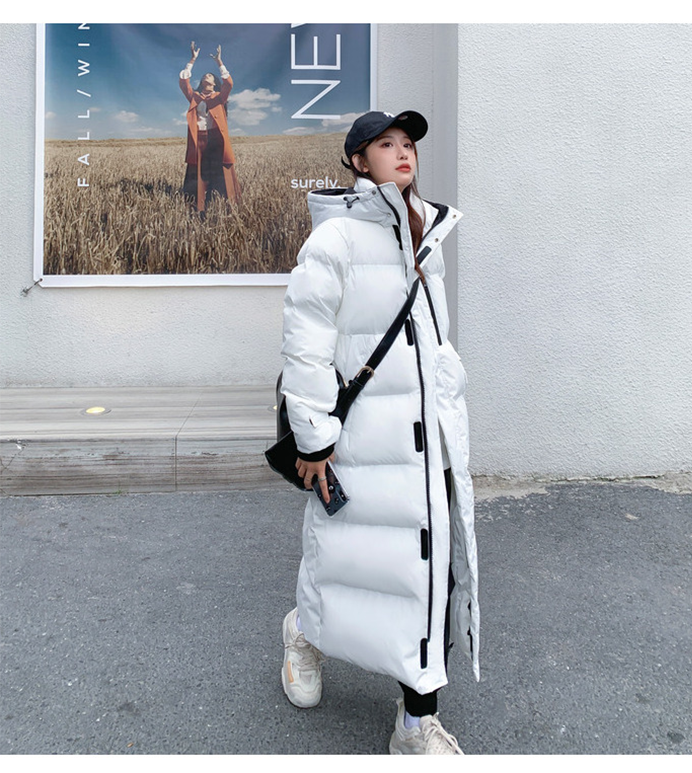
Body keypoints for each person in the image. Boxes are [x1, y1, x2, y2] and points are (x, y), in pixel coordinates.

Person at [279, 110, 480, 754]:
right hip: (361, 440)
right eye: (385, 144)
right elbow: (305, 345)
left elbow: (434, 338)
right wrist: (314, 437)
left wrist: (449, 394)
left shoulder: (427, 235)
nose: (403, 152)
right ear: (358, 161)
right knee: (346, 560)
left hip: (427, 440)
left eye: (408, 143)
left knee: (431, 571)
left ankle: (416, 723)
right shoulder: (334, 241)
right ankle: (305, 634)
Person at [179, 42, 240, 212]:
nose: (207, 76)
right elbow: (184, 82)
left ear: (214, 83)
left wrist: (219, 62)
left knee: (222, 170)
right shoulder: (195, 97)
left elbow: (228, 84)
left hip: (216, 138)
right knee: (197, 170)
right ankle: (196, 206)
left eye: (210, 75)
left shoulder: (220, 97)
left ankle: (226, 205)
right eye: (205, 75)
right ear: (202, 82)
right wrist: (192, 60)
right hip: (198, 137)